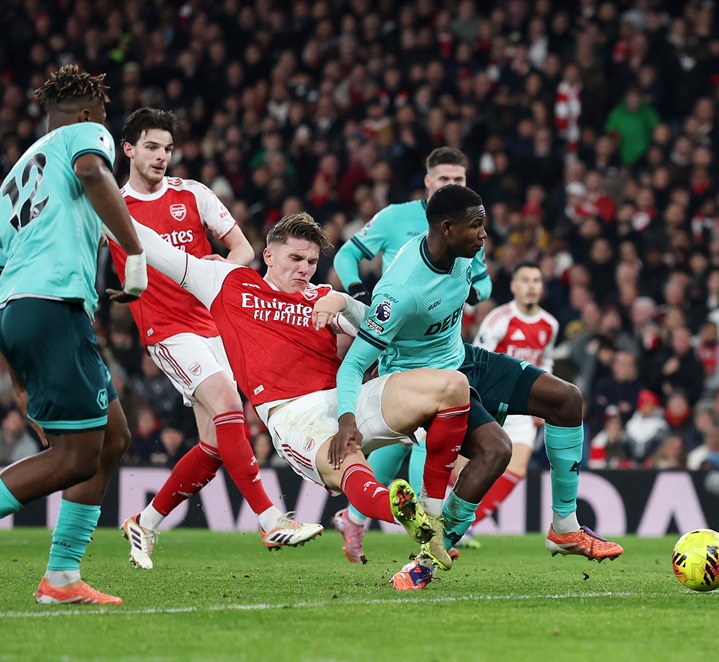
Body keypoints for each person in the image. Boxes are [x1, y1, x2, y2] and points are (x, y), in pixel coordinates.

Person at [0, 64, 149, 605]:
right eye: (103, 122)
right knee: (76, 455)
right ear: (88, 114)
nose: (105, 133)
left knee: (112, 439)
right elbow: (93, 170)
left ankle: (61, 579)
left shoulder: (17, 174)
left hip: (18, 311)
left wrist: (17, 376)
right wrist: (132, 251)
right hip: (52, 304)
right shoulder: (84, 136)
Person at [111, 211, 476, 565]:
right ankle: (402, 513)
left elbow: (379, 328)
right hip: (295, 415)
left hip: (348, 398)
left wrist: (344, 302)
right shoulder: (225, 280)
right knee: (348, 467)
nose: (304, 269)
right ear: (268, 255)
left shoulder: (320, 296)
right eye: (296, 258)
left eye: (313, 261)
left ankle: (433, 511)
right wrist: (99, 205)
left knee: (452, 385)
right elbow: (156, 247)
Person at [330, 185, 623, 587]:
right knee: (497, 450)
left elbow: (472, 292)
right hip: (427, 384)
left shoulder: (463, 252)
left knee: (567, 399)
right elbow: (353, 366)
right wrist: (348, 421)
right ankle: (426, 562)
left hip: (464, 359)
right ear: (448, 228)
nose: (485, 235)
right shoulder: (400, 292)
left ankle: (565, 527)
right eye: (477, 226)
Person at [107, 108, 323, 569]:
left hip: (213, 324)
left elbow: (242, 249)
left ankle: (144, 523)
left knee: (215, 442)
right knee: (228, 404)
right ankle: (270, 520)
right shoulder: (115, 207)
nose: (162, 156)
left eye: (167, 148)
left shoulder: (194, 194)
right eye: (151, 146)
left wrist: (214, 275)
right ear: (127, 149)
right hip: (167, 330)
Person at [329, 147, 492, 556]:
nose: (452, 185)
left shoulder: (471, 229)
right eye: (445, 179)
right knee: (427, 437)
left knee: (401, 442)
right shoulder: (394, 219)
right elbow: (348, 254)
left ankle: (355, 516)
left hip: (444, 345)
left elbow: (485, 285)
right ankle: (429, 528)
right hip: (396, 343)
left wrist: (470, 290)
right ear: (428, 180)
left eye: (459, 179)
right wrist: (356, 293)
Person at [468, 261, 559, 535]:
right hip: (492, 404)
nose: (531, 286)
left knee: (517, 469)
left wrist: (544, 401)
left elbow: (547, 362)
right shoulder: (500, 319)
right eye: (525, 280)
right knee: (468, 466)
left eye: (536, 281)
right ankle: (451, 515)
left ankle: (464, 525)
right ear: (513, 286)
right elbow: (477, 359)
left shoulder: (550, 324)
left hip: (524, 409)